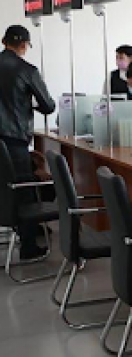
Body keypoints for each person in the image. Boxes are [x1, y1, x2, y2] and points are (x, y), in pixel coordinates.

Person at [0, 25, 56, 259]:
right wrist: (30, 104)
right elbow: (48, 105)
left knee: (5, 186)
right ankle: (29, 245)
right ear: (24, 45)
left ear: (3, 42)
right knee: (24, 189)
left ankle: (19, 230)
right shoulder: (27, 70)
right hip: (15, 138)